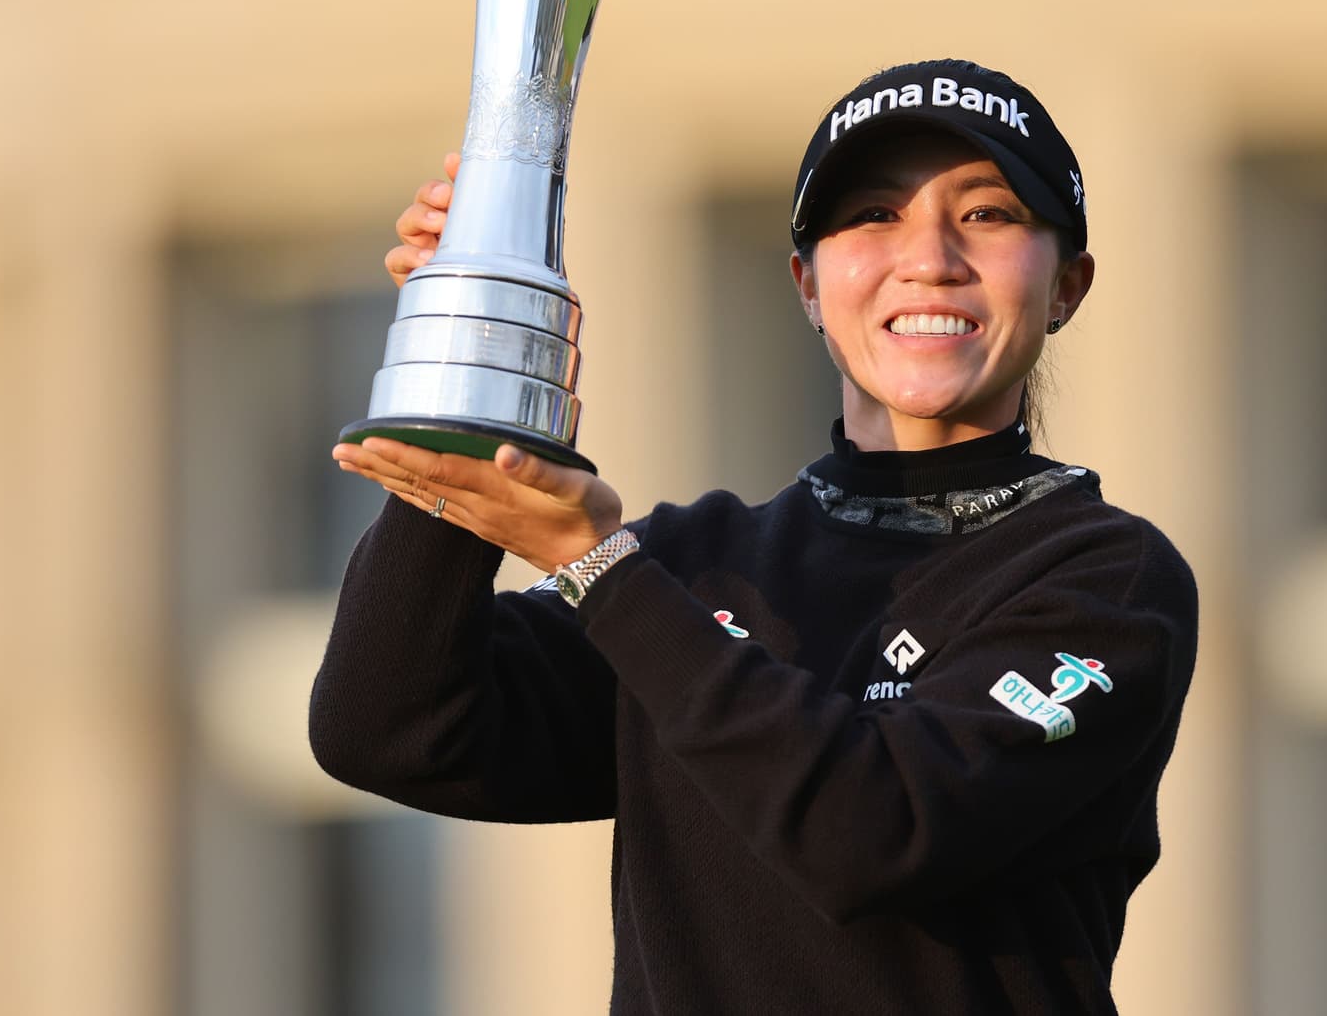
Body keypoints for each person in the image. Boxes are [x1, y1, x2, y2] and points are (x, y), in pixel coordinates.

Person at [312, 58, 1198, 1014]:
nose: (930, 255)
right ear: (807, 284)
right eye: (871, 214)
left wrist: (601, 568)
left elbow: (876, 832)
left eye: (985, 213)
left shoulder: (1107, 579)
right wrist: (473, 368)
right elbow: (389, 725)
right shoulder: (697, 565)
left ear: (1068, 284)